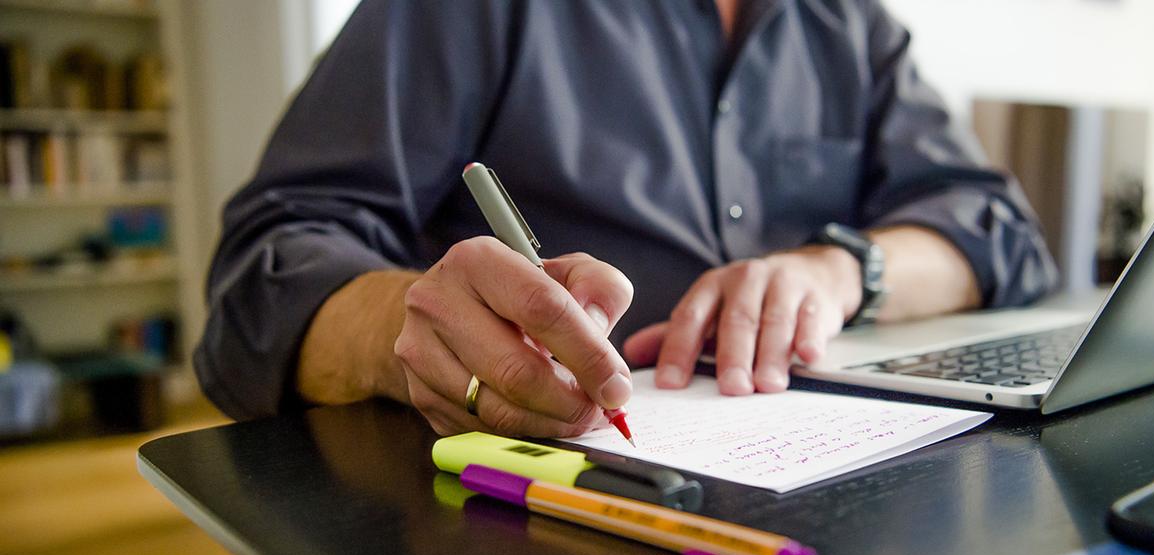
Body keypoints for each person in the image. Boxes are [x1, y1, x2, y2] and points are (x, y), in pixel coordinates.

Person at [196, 0, 1056, 438]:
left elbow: (995, 227)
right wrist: (405, 327)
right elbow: (264, 269)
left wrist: (840, 272)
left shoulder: (847, 23)